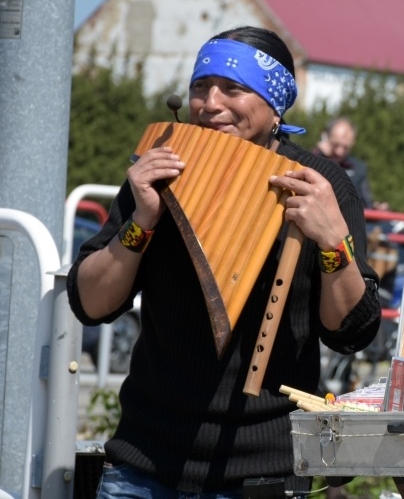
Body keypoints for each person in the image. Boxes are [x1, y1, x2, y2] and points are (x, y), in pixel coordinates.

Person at [67, 26, 382, 498]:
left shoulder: (323, 185)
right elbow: (90, 304)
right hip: (144, 463)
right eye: (201, 86)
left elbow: (351, 331)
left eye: (233, 88)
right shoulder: (161, 169)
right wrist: (142, 220)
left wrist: (333, 242)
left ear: (275, 106)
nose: (210, 103)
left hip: (261, 469)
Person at [314, 117, 388, 210]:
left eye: (345, 147)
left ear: (353, 143)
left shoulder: (358, 168)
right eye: (335, 145)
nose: (339, 152)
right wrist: (319, 154)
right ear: (326, 138)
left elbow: (365, 202)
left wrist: (376, 208)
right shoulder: (315, 160)